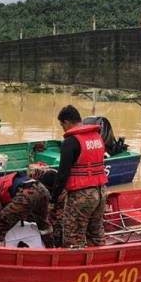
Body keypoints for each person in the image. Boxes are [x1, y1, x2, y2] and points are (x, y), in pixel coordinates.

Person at [52, 105, 108, 247]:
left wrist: (54, 198)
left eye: (62, 125)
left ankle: (73, 266)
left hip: (82, 195)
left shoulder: (70, 142)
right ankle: (99, 263)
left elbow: (62, 174)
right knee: (95, 232)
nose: (63, 129)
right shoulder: (97, 136)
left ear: (67, 122)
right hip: (101, 192)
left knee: (73, 235)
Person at [0, 171, 54, 246]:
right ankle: (51, 246)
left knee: (0, 223)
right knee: (42, 221)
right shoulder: (1, 181)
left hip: (28, 193)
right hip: (42, 189)